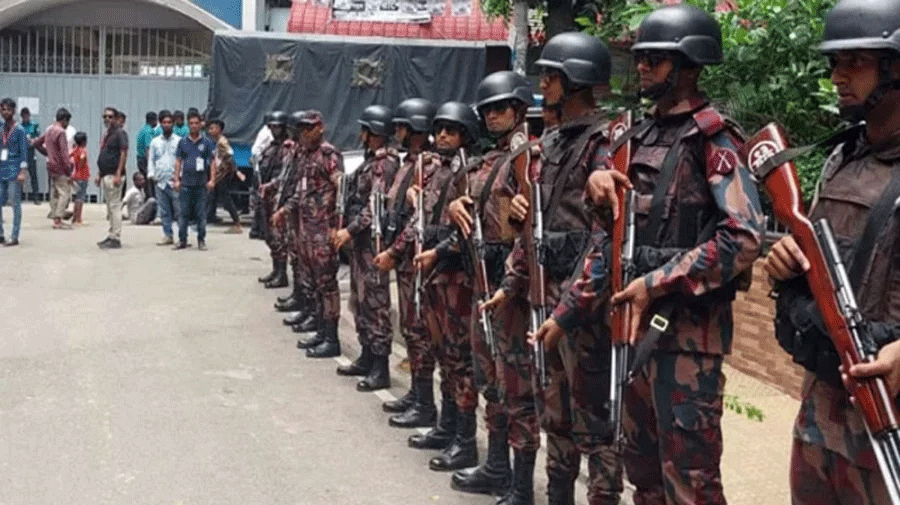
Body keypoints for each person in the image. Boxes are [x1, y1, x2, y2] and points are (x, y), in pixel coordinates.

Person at [584, 5, 764, 504]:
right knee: (642, 472)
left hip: (688, 342)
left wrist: (658, 281)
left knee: (691, 482)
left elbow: (744, 236)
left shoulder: (714, 141)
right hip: (633, 332)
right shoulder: (633, 138)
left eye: (656, 60)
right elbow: (615, 231)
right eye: (641, 58)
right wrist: (595, 188)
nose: (642, 68)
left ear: (689, 65)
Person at [763, 1, 900, 503]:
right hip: (822, 415)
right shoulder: (840, 159)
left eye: (856, 62)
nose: (839, 76)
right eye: (834, 63)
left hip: (890, 424)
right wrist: (786, 264)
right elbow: (818, 258)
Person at [445, 71, 539, 503]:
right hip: (483, 280)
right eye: (486, 110)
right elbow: (470, 204)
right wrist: (456, 205)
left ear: (520, 108)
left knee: (518, 388)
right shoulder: (486, 163)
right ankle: (497, 465)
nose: (492, 115)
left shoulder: (533, 157)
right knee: (492, 381)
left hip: (516, 289)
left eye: (500, 108)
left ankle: (520, 485)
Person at [406, 101, 482, 472]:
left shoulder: (473, 172)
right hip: (436, 276)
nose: (441, 137)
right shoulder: (438, 172)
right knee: (444, 355)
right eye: (439, 130)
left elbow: (467, 231)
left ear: (466, 134)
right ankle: (447, 426)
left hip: (458, 277)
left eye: (450, 131)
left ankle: (465, 441)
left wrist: (437, 251)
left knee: (460, 361)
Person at [373, 98, 440, 416]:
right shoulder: (408, 163)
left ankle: (425, 402)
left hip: (416, 260)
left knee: (420, 333)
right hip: (404, 260)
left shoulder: (430, 166)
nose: (396, 131)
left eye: (402, 126)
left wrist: (393, 251)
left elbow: (420, 222)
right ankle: (417, 393)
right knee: (411, 330)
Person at [333, 105, 399, 391]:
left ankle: (380, 367)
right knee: (360, 302)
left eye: (366, 130)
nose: (361, 135)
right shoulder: (370, 161)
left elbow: (375, 208)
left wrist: (349, 230)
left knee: (375, 305)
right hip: (361, 244)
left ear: (376, 133)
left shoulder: (385, 164)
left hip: (373, 243)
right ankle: (367, 355)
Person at [273, 110, 344, 359]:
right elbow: (301, 192)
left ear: (320, 128)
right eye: (301, 128)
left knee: (327, 286)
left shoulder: (328, 155)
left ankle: (332, 337)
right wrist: (284, 210)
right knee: (312, 283)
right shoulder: (306, 156)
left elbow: (342, 189)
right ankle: (321, 330)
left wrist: (339, 225)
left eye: (309, 128)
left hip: (323, 232)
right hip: (306, 230)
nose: (304, 133)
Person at [256, 112, 291, 286]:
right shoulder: (270, 146)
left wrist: (270, 186)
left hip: (279, 198)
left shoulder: (288, 148)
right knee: (269, 236)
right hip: (267, 197)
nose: (274, 130)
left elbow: (285, 176)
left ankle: (282, 274)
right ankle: (276, 270)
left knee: (279, 238)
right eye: (272, 126)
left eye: (278, 126)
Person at [174, 111, 216, 251]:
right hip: (186, 183)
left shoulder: (207, 143)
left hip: (201, 184)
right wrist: (176, 180)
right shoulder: (183, 142)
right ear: (188, 125)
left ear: (201, 125)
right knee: (183, 214)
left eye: (196, 123)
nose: (194, 126)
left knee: (200, 214)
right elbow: (178, 162)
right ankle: (182, 240)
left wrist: (212, 180)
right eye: (191, 123)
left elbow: (213, 162)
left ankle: (201, 240)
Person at [33, 108, 74, 230]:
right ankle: (58, 219)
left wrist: (48, 154)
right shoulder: (61, 132)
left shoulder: (49, 129)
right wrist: (69, 170)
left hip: (50, 166)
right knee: (64, 193)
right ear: (65, 120)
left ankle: (54, 214)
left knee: (54, 192)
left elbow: (36, 143)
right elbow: (64, 153)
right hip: (60, 166)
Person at [95, 106, 128, 249]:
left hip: (114, 176)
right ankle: (111, 234)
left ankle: (115, 238)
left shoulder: (120, 133)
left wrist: (118, 173)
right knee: (110, 207)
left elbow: (123, 153)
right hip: (106, 175)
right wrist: (99, 173)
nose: (107, 119)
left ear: (116, 118)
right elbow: (104, 154)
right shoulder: (108, 134)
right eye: (105, 117)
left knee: (115, 207)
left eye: (110, 117)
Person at [149, 110, 182, 246]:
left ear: (173, 124)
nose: (167, 125)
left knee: (179, 210)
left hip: (175, 181)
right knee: (164, 211)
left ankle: (182, 236)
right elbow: (151, 159)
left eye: (169, 122)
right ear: (161, 124)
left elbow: (182, 160)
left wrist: (180, 177)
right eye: (164, 122)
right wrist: (151, 174)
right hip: (160, 181)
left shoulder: (179, 141)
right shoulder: (155, 142)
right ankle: (168, 235)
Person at [206, 118, 244, 234]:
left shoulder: (222, 142)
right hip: (219, 174)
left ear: (219, 130)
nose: (210, 131)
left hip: (223, 175)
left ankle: (237, 224)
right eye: (210, 129)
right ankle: (209, 218)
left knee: (226, 199)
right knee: (212, 196)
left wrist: (235, 172)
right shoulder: (217, 141)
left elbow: (229, 157)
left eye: (213, 128)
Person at [0, 98, 29, 246]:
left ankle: (14, 235)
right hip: (1, 168)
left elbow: (24, 153)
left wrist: (22, 172)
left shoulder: (19, 130)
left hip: (14, 170)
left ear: (13, 111)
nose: (6, 112)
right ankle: (0, 234)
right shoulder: (0, 128)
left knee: (15, 204)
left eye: (8, 109)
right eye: (3, 109)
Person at [249, 114, 276, 239]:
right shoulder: (267, 133)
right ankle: (261, 231)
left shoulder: (264, 132)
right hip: (262, 168)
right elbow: (256, 152)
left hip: (260, 167)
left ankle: (256, 229)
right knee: (263, 201)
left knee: (261, 201)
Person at [136, 111, 159, 200]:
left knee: (146, 181)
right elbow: (148, 148)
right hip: (145, 159)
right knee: (149, 181)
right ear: (153, 120)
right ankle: (151, 200)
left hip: (140, 158)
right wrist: (151, 163)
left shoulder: (142, 129)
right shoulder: (149, 131)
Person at [20, 107, 40, 203]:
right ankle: (18, 197)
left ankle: (36, 197)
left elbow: (38, 137)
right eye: (23, 116)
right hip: (21, 153)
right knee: (20, 174)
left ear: (29, 115)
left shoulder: (34, 125)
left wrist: (33, 140)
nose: (25, 117)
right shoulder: (19, 126)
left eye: (26, 115)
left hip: (31, 152)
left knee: (33, 175)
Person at [70, 132, 89, 226]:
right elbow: (83, 157)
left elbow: (68, 155)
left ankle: (74, 218)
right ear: (84, 141)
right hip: (83, 176)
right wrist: (82, 164)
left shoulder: (75, 149)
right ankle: (78, 218)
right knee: (80, 199)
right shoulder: (83, 150)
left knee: (76, 198)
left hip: (76, 176)